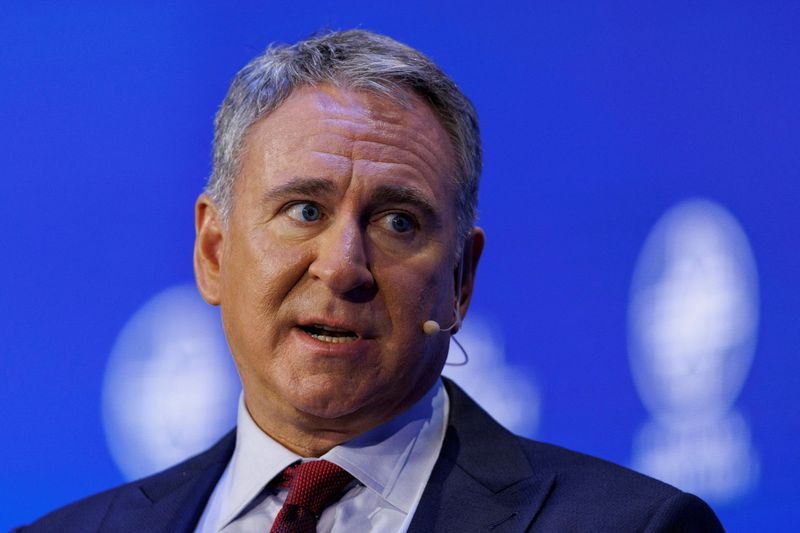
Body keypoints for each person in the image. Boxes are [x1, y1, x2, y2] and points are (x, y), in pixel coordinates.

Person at [17, 29, 724, 532]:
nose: (344, 265)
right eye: (304, 210)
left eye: (398, 223)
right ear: (213, 250)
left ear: (461, 280)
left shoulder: (634, 526)